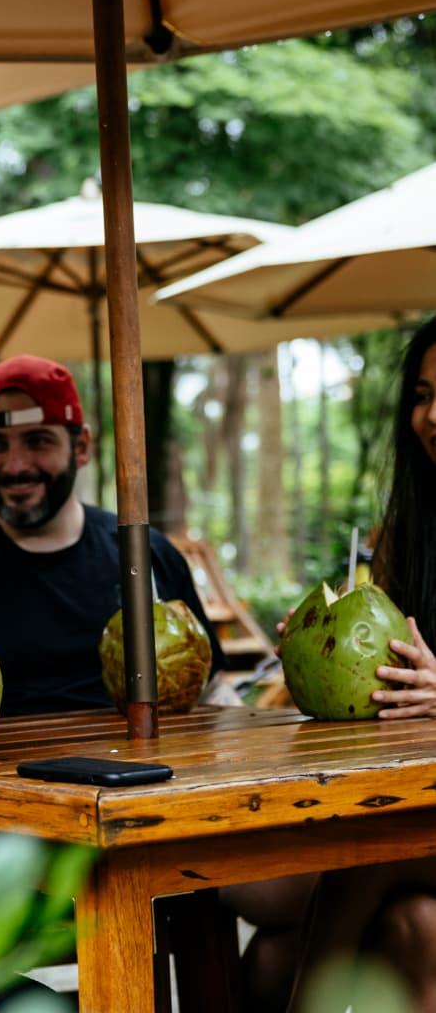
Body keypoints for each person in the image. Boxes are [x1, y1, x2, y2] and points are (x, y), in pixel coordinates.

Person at [0, 354, 217, 716]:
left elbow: (210, 690)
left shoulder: (143, 553)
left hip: (134, 765)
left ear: (81, 447)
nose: (16, 465)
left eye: (38, 441)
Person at [279, 316, 436, 1013]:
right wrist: (319, 647)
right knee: (274, 934)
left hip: (407, 826)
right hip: (419, 803)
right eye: (424, 394)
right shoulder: (410, 533)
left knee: (365, 850)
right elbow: (380, 687)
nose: (433, 415)